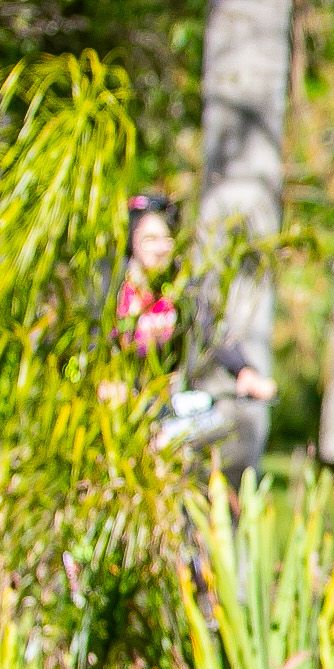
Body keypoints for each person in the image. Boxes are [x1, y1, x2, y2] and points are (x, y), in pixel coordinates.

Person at [110, 192, 272, 473]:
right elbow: (91, 338)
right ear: (132, 241)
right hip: (115, 410)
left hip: (162, 407)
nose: (160, 248)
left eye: (166, 239)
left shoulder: (180, 291)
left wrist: (244, 371)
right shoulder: (113, 288)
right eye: (150, 239)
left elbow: (211, 330)